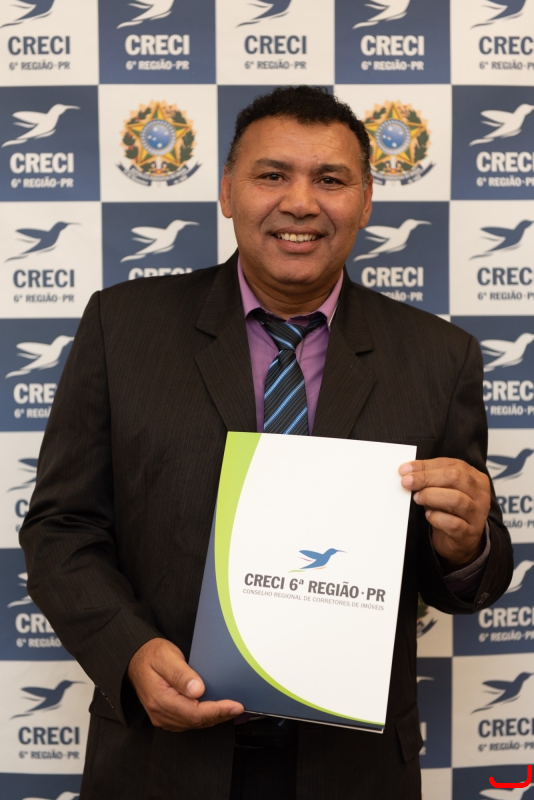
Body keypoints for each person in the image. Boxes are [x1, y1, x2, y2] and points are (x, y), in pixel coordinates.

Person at [20, 86, 512, 800]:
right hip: (160, 762)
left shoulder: (439, 357)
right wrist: (130, 652)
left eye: (331, 179)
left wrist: (466, 548)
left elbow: (467, 572)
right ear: (228, 191)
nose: (301, 202)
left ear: (366, 202)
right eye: (272, 174)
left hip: (352, 770)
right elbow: (60, 529)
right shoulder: (121, 329)